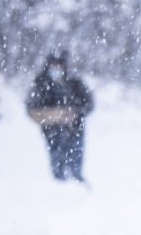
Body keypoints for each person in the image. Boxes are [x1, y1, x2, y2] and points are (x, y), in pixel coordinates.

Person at [25, 53, 93, 183]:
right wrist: (53, 115)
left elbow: (89, 104)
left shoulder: (75, 83)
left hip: (75, 130)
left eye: (59, 66)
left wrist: (74, 112)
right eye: (53, 66)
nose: (56, 69)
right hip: (52, 132)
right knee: (57, 162)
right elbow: (32, 108)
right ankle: (59, 186)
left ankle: (77, 183)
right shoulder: (41, 84)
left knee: (76, 162)